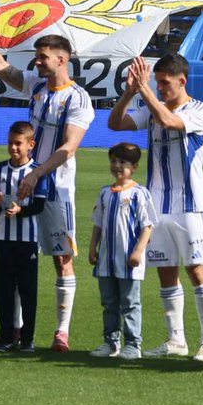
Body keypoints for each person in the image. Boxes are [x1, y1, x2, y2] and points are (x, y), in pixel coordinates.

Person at [0, 2, 95, 351]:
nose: (37, 62)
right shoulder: (36, 87)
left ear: (61, 59)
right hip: (22, 185)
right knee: (14, 260)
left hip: (54, 188)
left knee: (62, 259)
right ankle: (12, 331)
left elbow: (69, 147)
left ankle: (62, 332)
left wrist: (38, 173)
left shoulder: (77, 98)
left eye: (43, 57)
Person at [108, 54, 203, 361]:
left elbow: (170, 121)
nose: (160, 88)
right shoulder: (152, 107)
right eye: (157, 82)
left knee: (197, 270)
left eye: (164, 83)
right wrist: (130, 92)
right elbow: (115, 123)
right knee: (166, 272)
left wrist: (144, 92)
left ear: (182, 81)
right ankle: (175, 339)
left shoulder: (198, 110)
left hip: (190, 204)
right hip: (157, 204)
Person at [87, 142, 155, 360]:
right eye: (113, 161)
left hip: (128, 261)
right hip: (106, 259)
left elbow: (148, 225)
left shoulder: (138, 193)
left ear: (134, 166)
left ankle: (133, 344)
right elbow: (98, 224)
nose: (117, 166)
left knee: (130, 303)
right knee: (109, 303)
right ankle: (110, 342)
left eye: (123, 162)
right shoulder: (105, 193)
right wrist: (92, 247)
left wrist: (138, 251)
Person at [0, 121, 47, 353]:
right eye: (10, 143)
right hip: (3, 238)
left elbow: (39, 206)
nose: (13, 148)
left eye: (18, 144)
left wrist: (22, 210)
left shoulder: (37, 171)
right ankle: (7, 337)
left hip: (28, 239)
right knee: (3, 289)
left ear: (30, 145)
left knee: (28, 290)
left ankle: (28, 339)